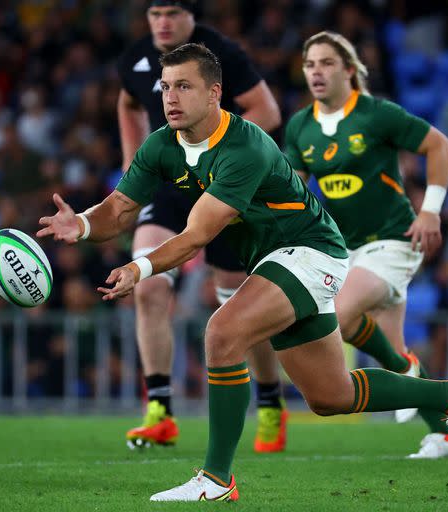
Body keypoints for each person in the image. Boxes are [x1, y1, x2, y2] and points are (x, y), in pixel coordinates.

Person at [39, 43, 448, 502]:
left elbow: (197, 236)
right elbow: (120, 208)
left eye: (184, 87)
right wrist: (85, 223)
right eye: (166, 87)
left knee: (222, 334)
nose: (170, 98)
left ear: (214, 94)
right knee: (331, 396)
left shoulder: (244, 146)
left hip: (311, 252)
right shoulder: (161, 144)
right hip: (275, 261)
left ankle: (216, 480)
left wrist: (139, 267)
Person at [116, 0, 285, 452]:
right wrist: (132, 163)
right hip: (170, 184)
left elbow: (266, 112)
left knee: (238, 306)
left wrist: (219, 156)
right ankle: (159, 410)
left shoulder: (221, 53)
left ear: (192, 17)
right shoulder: (134, 56)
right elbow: (128, 100)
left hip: (223, 183)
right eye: (155, 14)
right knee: (148, 284)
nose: (163, 23)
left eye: (172, 13)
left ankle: (270, 402)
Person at [284, 31, 448, 459]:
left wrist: (431, 210)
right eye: (310, 65)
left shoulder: (376, 113)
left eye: (326, 63)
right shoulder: (300, 126)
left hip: (394, 241)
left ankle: (403, 366)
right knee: (391, 348)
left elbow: (440, 145)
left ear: (349, 69)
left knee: (336, 314)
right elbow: (291, 191)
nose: (316, 72)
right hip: (346, 250)